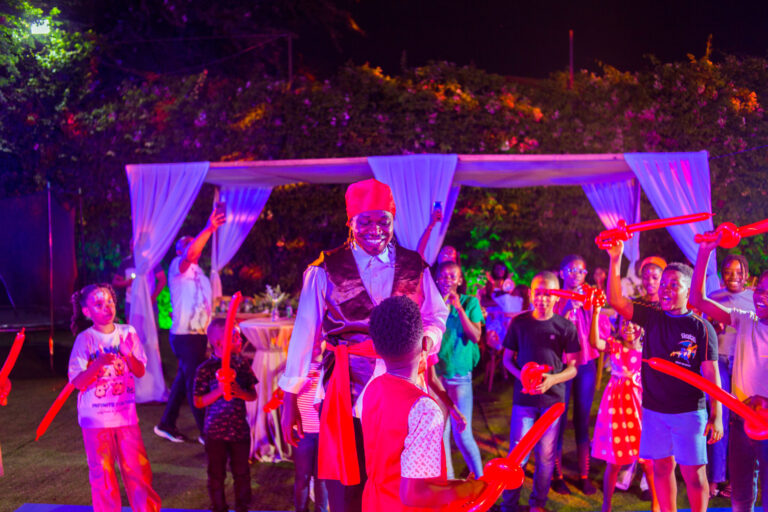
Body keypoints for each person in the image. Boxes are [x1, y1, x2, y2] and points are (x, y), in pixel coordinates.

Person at [278, 178, 449, 512]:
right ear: (350, 222)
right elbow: (304, 336)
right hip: (347, 393)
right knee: (347, 486)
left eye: (383, 220)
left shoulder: (414, 266)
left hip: (404, 393)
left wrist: (426, 340)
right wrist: (290, 401)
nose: (375, 229)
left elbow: (436, 314)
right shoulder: (324, 269)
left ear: (393, 221)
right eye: (365, 221)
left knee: (397, 482)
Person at [606, 240, 723, 512]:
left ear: (688, 291)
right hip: (654, 411)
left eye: (674, 285)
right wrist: (615, 259)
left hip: (688, 412)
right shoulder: (652, 317)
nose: (665, 289)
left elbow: (711, 374)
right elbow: (616, 300)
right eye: (663, 284)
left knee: (694, 475)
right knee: (661, 468)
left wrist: (716, 415)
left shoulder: (701, 328)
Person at [362, 295, 486, 510]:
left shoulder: (373, 388)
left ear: (377, 348)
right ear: (423, 343)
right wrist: (472, 489)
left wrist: (457, 484)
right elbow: (415, 495)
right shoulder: (423, 409)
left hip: (376, 503)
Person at [689, 232, 768, 512]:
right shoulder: (746, 320)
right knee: (741, 496)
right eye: (760, 289)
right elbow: (698, 300)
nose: (762, 297)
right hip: (739, 419)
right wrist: (705, 252)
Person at [68, 283, 161, 512]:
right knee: (102, 473)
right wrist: (97, 365)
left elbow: (139, 371)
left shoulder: (127, 333)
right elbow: (78, 382)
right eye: (99, 304)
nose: (107, 307)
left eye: (109, 301)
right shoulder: (84, 339)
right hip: (96, 420)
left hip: (125, 416)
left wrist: (128, 355)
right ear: (87, 311)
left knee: (138, 469)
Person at [501, 271, 580, 512]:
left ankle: (538, 504)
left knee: (546, 456)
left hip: (552, 401)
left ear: (556, 297)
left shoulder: (565, 326)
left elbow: (573, 368)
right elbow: (507, 360)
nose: (542, 299)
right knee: (518, 454)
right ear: (530, 294)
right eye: (538, 293)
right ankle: (509, 504)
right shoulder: (519, 323)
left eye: (548, 294)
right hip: (524, 399)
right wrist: (523, 376)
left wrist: (552, 380)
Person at [155, 207, 225, 443]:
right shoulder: (178, 265)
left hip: (199, 335)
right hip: (185, 335)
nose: (194, 245)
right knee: (195, 382)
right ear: (179, 250)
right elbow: (190, 255)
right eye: (188, 243)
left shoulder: (201, 274)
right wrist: (209, 228)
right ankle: (206, 432)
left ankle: (166, 423)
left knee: (184, 378)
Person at [551, 254, 611, 495]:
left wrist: (594, 308)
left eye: (581, 270)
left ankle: (584, 476)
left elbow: (602, 332)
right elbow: (550, 331)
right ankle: (557, 476)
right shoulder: (555, 297)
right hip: (561, 365)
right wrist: (567, 308)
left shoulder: (591, 295)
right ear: (562, 272)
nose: (577, 274)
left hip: (584, 363)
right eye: (572, 270)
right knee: (558, 418)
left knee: (582, 420)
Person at [589, 307, 660, 512]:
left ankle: (656, 503)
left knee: (646, 460)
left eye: (633, 323)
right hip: (618, 410)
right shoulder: (615, 346)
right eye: (624, 323)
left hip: (640, 408)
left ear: (642, 327)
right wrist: (596, 313)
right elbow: (595, 343)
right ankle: (607, 504)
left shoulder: (649, 350)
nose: (629, 327)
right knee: (614, 462)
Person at [193, 318, 258, 512]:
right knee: (216, 475)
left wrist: (240, 392)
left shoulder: (242, 365)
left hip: (239, 431)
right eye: (235, 336)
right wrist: (219, 391)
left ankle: (242, 507)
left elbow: (253, 395)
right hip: (215, 433)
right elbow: (198, 401)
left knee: (242, 473)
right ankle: (219, 507)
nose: (240, 340)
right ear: (220, 342)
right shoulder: (205, 369)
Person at [705, 253, 753, 498]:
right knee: (718, 417)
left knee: (741, 421)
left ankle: (736, 478)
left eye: (738, 272)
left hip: (744, 364)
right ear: (722, 275)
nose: (733, 276)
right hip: (719, 363)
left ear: (746, 275)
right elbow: (705, 329)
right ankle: (715, 478)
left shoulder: (755, 298)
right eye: (728, 272)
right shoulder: (714, 297)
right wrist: (713, 326)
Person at [434, 261, 485, 478]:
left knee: (462, 433)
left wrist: (459, 308)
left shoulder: (470, 302)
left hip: (460, 377)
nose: (447, 280)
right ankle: (449, 483)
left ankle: (481, 482)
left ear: (460, 280)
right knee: (440, 434)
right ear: (437, 279)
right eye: (444, 276)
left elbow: (476, 336)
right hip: (435, 376)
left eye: (452, 276)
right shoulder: (432, 303)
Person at [294, 340, 329, 512]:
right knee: (302, 477)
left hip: (324, 433)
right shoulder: (297, 369)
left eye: (320, 339)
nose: (316, 343)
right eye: (311, 339)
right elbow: (282, 396)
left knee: (322, 478)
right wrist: (300, 386)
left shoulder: (328, 367)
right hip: (304, 433)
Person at [112, 244, 167, 322]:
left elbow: (162, 279)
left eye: (136, 244)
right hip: (131, 302)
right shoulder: (126, 263)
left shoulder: (151, 261)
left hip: (149, 302)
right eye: (131, 245)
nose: (133, 247)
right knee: (132, 327)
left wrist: (152, 298)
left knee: (150, 327)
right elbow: (115, 282)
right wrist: (128, 282)